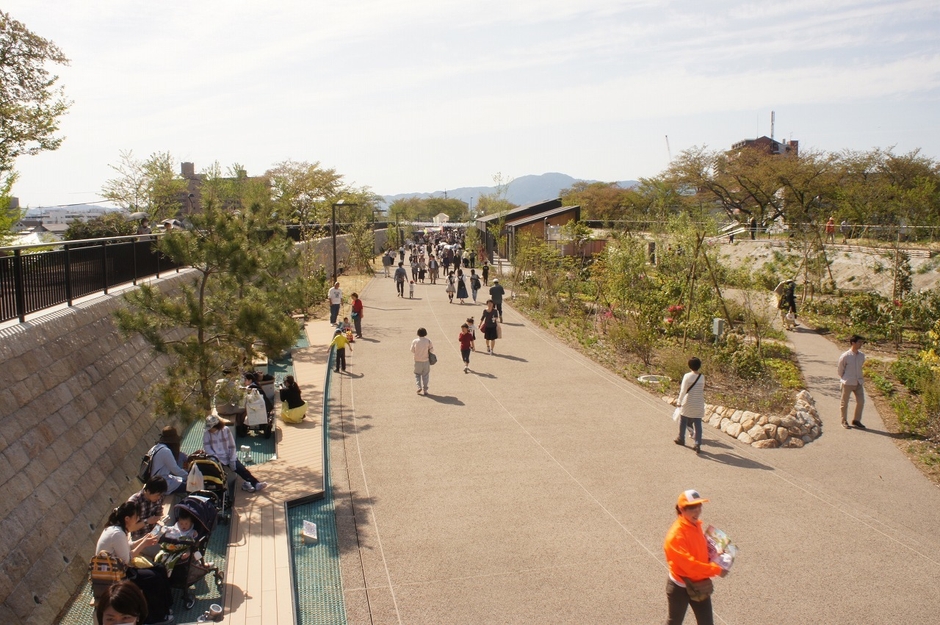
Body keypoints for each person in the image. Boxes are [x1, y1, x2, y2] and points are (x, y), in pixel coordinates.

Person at [95, 502, 174, 625]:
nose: (138, 520)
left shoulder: (118, 529)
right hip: (116, 575)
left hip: (118, 568)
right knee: (153, 578)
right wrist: (144, 544)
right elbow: (127, 560)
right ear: (127, 518)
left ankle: (165, 606)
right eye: (136, 517)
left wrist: (144, 539)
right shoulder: (117, 533)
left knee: (159, 568)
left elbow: (127, 547)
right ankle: (156, 617)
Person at [663, 490, 726, 625]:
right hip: (680, 587)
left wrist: (715, 554)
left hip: (699, 583)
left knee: (706, 622)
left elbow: (699, 552)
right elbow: (690, 566)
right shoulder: (675, 537)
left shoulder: (695, 525)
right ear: (681, 509)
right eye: (692, 507)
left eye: (699, 506)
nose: (697, 511)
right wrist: (717, 569)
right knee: (675, 622)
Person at [203, 414, 268, 492]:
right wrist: (216, 459)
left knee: (242, 469)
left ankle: (256, 483)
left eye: (211, 427)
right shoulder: (207, 434)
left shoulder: (226, 430)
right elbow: (207, 448)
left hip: (228, 456)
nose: (210, 429)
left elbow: (232, 445)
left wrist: (232, 459)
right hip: (216, 459)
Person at [153, 509, 198, 578]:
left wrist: (195, 535)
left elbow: (193, 542)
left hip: (181, 549)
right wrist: (164, 528)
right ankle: (156, 571)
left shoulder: (191, 532)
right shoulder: (175, 528)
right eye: (181, 523)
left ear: (191, 523)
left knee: (188, 543)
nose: (183, 526)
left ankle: (166, 575)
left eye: (186, 524)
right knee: (159, 556)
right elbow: (168, 529)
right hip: (170, 546)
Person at [674, 357, 705, 454]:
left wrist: (679, 401)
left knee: (683, 420)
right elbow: (702, 389)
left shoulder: (687, 376)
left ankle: (681, 438)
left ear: (689, 365)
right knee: (698, 423)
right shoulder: (702, 377)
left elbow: (683, 390)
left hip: (688, 402)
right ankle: (697, 443)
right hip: (699, 403)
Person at [838, 335, 867, 429]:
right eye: (859, 342)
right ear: (853, 343)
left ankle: (856, 420)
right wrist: (845, 378)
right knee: (844, 403)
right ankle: (844, 421)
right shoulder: (845, 356)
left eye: (861, 342)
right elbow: (840, 370)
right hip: (847, 382)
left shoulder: (862, 356)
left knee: (861, 401)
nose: (860, 344)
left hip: (858, 382)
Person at [127, 477, 168, 541]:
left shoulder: (158, 497)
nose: (159, 497)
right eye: (157, 495)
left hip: (155, 531)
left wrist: (161, 518)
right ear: (148, 491)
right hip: (140, 537)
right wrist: (147, 521)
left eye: (160, 495)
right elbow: (130, 528)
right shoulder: (134, 502)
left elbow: (159, 513)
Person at [149, 427, 188, 495]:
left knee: (182, 481)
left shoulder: (155, 447)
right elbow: (175, 469)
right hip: (161, 484)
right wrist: (189, 477)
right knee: (190, 486)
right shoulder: (166, 451)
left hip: (154, 481)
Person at [411, 327, 434, 395]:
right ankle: (425, 389)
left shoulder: (415, 341)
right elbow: (432, 350)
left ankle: (419, 387)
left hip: (417, 360)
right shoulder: (428, 341)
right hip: (426, 360)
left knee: (417, 374)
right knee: (425, 375)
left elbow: (412, 350)